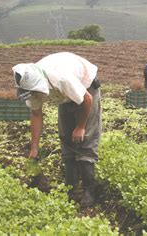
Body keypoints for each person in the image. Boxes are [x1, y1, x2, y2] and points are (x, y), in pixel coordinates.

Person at [12, 52, 101, 207]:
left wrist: (80, 127)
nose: (34, 95)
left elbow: (87, 100)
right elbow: (36, 114)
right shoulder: (30, 85)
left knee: (85, 138)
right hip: (64, 96)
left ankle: (88, 189)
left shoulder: (61, 78)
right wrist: (34, 148)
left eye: (35, 93)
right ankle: (71, 186)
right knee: (66, 137)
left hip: (86, 88)